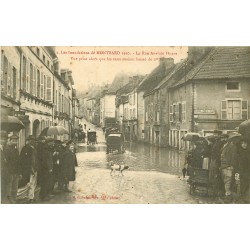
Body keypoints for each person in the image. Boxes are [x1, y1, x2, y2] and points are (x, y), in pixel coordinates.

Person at [19, 135, 38, 203]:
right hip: (28, 169)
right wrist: (28, 168)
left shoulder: (34, 148)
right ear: (28, 141)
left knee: (33, 184)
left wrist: (36, 167)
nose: (33, 141)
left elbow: (36, 159)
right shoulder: (25, 148)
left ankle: (31, 197)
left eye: (33, 140)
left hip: (35, 168)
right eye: (31, 140)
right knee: (28, 184)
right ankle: (28, 197)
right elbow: (22, 160)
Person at [220, 134, 239, 201]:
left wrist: (231, 166)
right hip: (223, 166)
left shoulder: (232, 147)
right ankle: (227, 195)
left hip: (228, 167)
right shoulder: (224, 145)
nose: (223, 139)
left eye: (224, 138)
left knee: (228, 182)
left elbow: (233, 157)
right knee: (225, 181)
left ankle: (228, 197)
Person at [4, 134, 20, 203]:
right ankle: (9, 202)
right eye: (13, 140)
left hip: (15, 172)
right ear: (9, 140)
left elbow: (18, 162)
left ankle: (13, 201)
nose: (15, 142)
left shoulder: (16, 149)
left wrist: (19, 172)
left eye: (16, 140)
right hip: (9, 172)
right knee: (9, 189)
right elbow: (5, 163)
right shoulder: (6, 149)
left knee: (15, 189)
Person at [1, 131, 8, 204]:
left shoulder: (5, 148)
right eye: (1, 138)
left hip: (4, 173)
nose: (3, 140)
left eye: (5, 139)